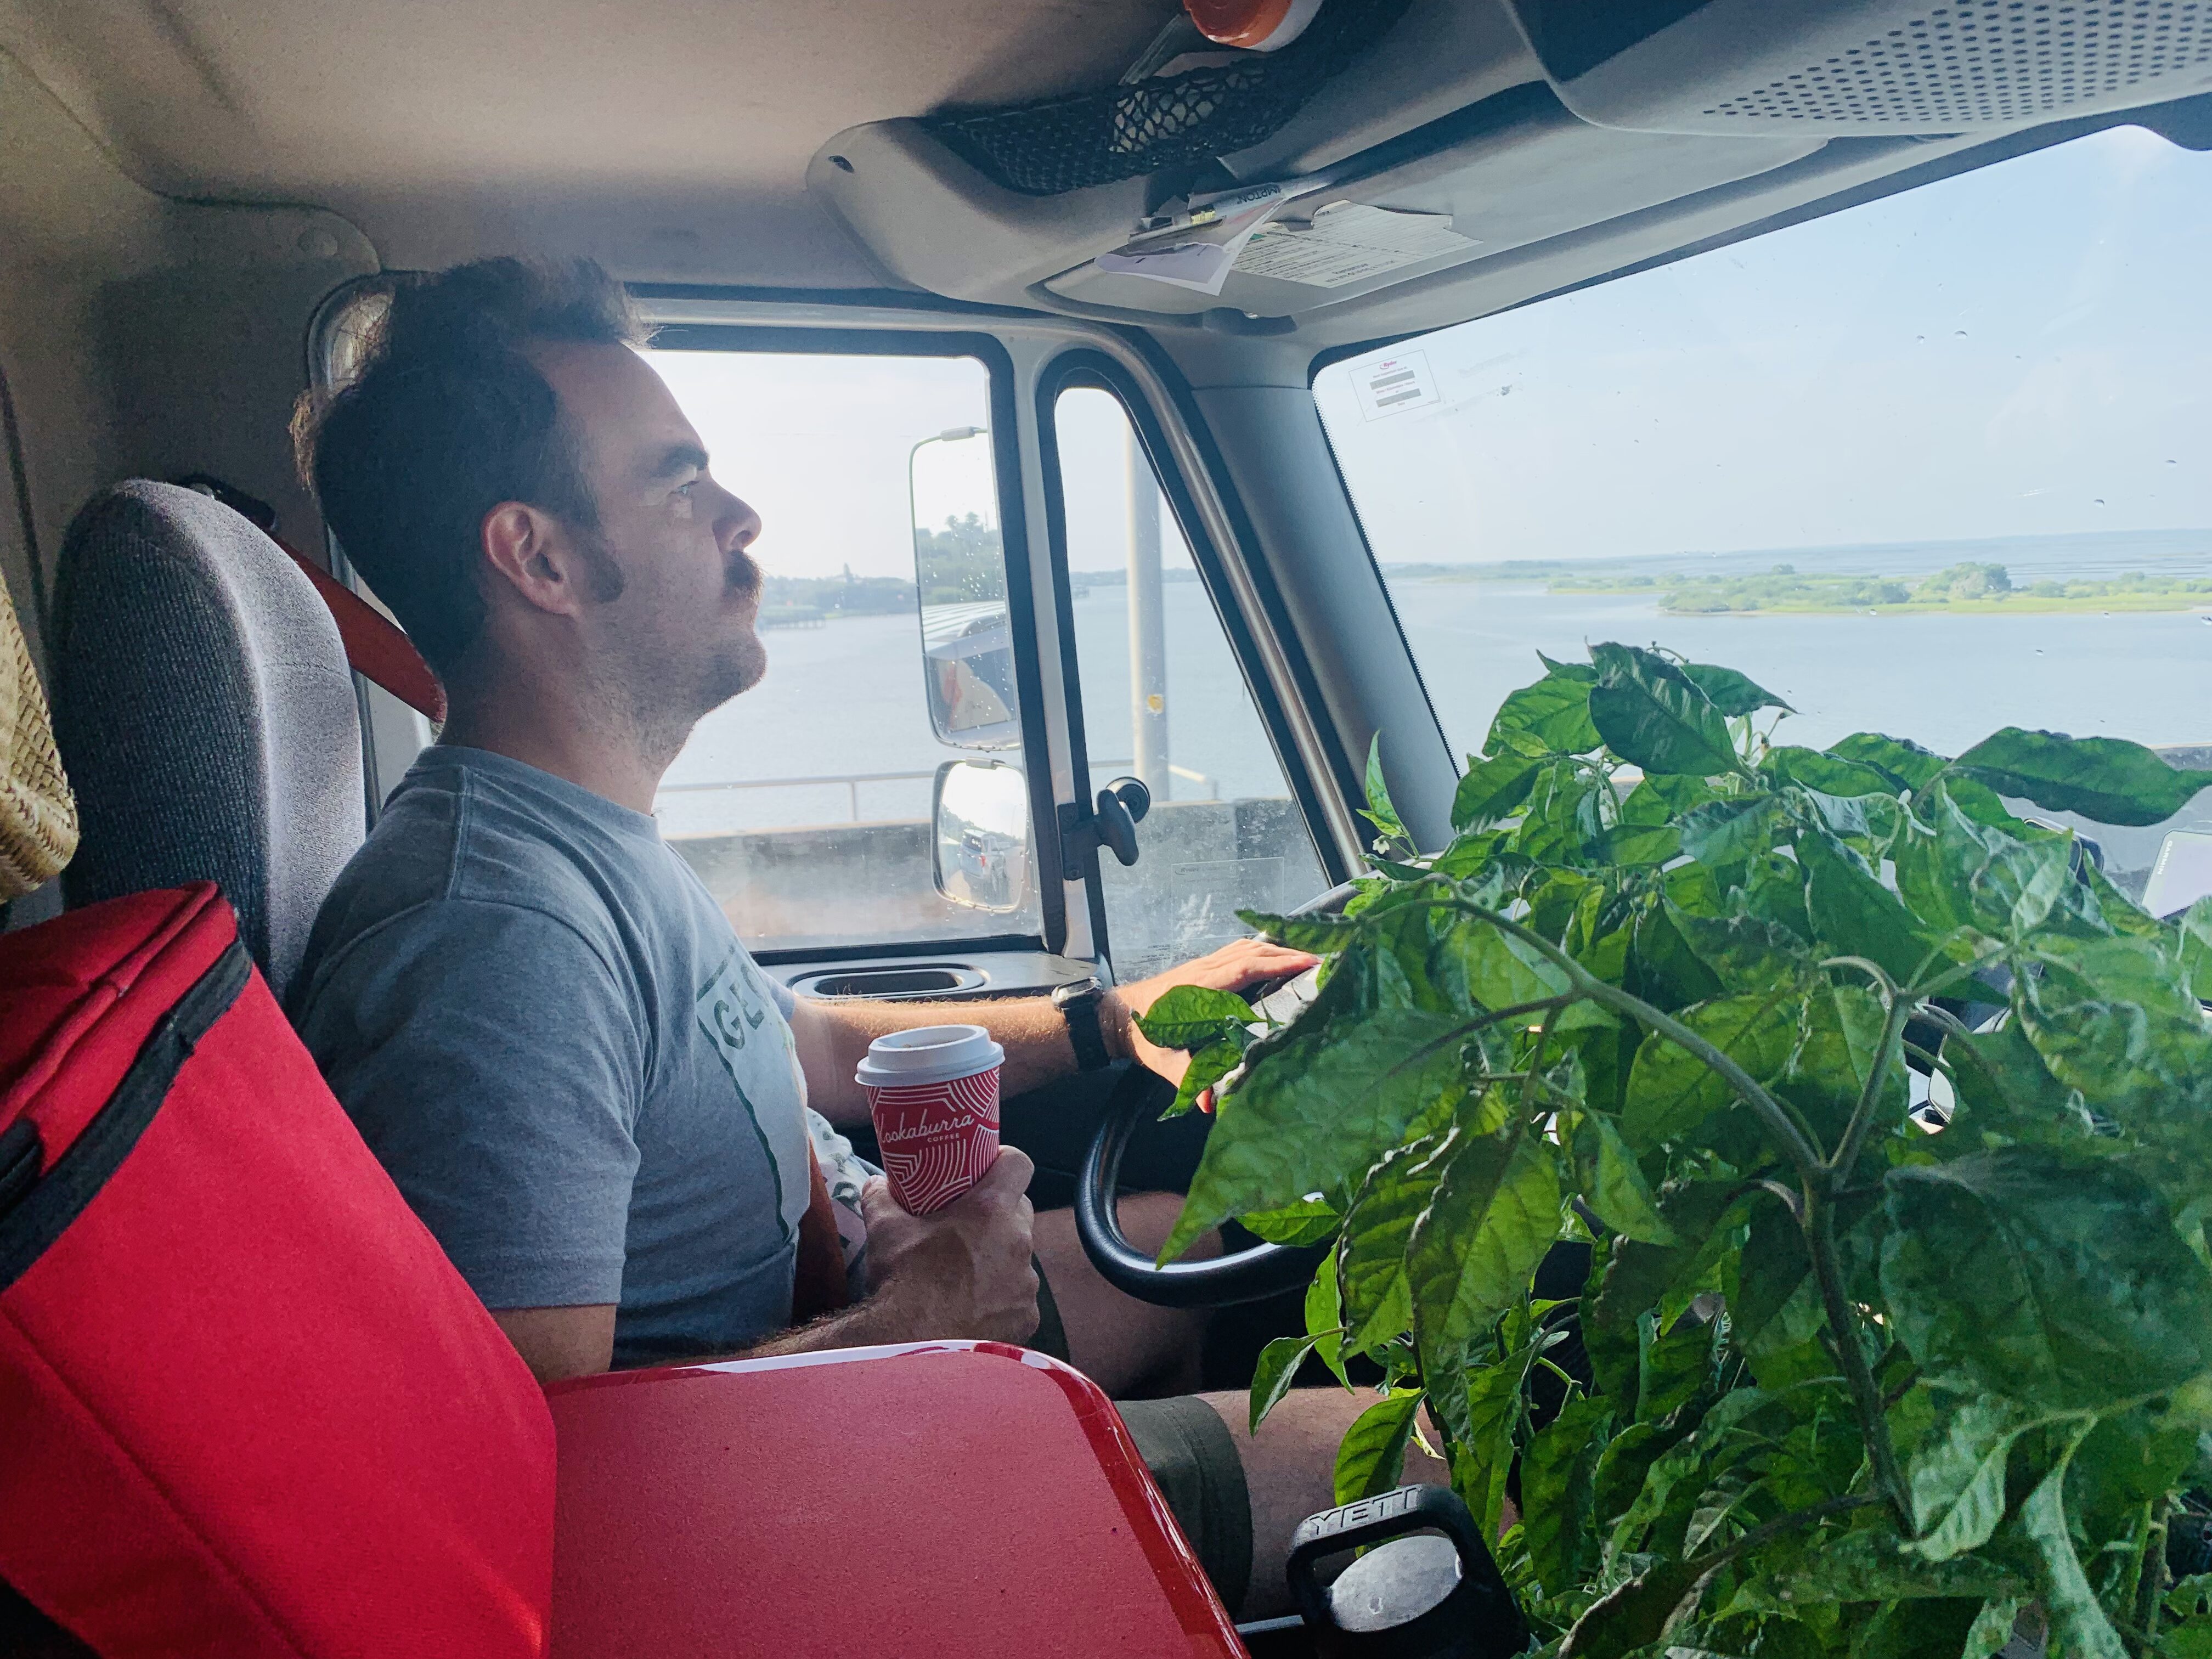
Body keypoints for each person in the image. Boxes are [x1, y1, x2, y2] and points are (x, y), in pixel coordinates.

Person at [286, 258, 1444, 1618]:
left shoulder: (588, 841)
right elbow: (535, 1496)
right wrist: (918, 1326)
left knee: (1206, 1228)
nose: (740, 514)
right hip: (790, 1504)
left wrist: (1107, 1019)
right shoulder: (497, 935)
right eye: (678, 482)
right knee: (1441, 1455)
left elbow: (807, 1051)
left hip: (847, 1335)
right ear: (537, 556)